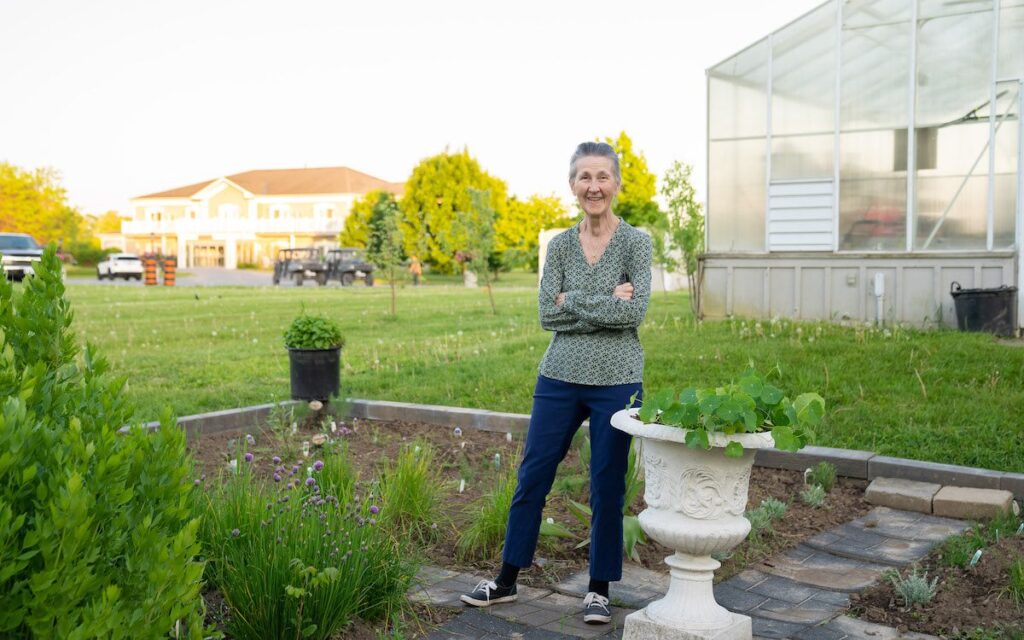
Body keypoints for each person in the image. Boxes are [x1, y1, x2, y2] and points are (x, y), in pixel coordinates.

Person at [460, 141, 652, 624]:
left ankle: (598, 589)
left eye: (602, 177)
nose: (594, 187)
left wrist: (576, 300)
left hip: (617, 379)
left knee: (607, 483)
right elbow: (548, 312)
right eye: (584, 178)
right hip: (558, 377)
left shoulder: (637, 243)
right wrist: (604, 299)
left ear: (617, 183)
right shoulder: (561, 245)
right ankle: (505, 580)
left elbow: (635, 311)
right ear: (572, 186)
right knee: (533, 475)